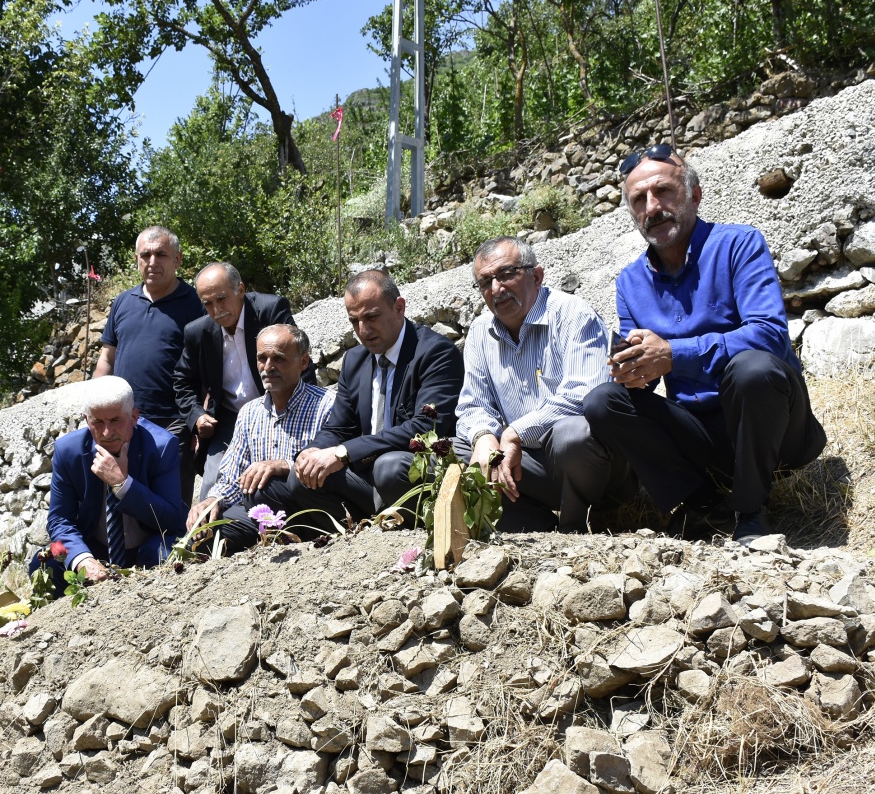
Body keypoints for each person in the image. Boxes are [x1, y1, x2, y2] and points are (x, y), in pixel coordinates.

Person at [583, 144, 826, 544]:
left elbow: (769, 334)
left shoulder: (739, 245)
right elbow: (645, 376)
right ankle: (698, 504)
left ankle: (750, 511)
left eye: (663, 191)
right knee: (602, 402)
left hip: (774, 427)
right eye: (639, 200)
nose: (652, 207)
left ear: (694, 195)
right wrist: (633, 368)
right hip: (700, 435)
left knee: (752, 368)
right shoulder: (630, 283)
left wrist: (674, 355)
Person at [456, 236, 633, 533]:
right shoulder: (479, 333)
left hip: (592, 464)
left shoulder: (573, 314)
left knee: (571, 434)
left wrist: (515, 432)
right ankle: (533, 523)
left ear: (536, 276)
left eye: (507, 274)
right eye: (486, 282)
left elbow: (585, 394)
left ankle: (577, 527)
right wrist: (484, 436)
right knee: (456, 452)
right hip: (530, 464)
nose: (497, 289)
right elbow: (473, 404)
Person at [287, 269, 465, 527]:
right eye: (354, 321)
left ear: (399, 308)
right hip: (369, 476)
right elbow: (340, 426)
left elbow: (425, 429)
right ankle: (365, 528)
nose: (363, 330)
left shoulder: (435, 353)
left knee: (388, 468)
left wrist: (344, 452)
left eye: (372, 317)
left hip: (413, 472)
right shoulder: (355, 360)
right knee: (303, 477)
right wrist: (313, 452)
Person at [187, 324, 334, 553]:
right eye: (262, 358)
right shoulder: (249, 412)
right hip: (257, 513)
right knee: (202, 538)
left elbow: (335, 466)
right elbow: (233, 476)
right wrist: (211, 501)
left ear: (303, 362)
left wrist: (285, 466)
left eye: (279, 359)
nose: (268, 367)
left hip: (307, 509)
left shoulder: (327, 405)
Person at [173, 262, 315, 499]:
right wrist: (196, 415)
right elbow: (182, 380)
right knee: (213, 486)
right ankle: (211, 533)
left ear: (240, 289)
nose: (216, 310)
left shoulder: (270, 310)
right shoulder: (198, 332)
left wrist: (307, 412)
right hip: (230, 419)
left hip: (282, 410)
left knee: (288, 474)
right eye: (207, 303)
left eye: (221, 299)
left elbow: (298, 360)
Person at [41, 377, 186, 596]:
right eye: (98, 422)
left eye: (116, 420)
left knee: (166, 554)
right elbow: (60, 519)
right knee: (43, 565)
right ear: (86, 420)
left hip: (148, 544)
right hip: (96, 548)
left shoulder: (161, 446)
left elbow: (173, 518)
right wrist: (82, 560)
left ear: (134, 417)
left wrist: (123, 484)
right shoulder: (68, 451)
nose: (107, 433)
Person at [94, 226, 206, 503]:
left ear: (177, 260)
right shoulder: (123, 302)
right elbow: (107, 358)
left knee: (173, 505)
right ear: (137, 259)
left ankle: (175, 547)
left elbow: (211, 366)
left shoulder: (196, 304)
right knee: (125, 502)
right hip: (123, 424)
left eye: (161, 254)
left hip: (174, 424)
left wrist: (199, 422)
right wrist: (94, 409)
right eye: (146, 255)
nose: (152, 262)